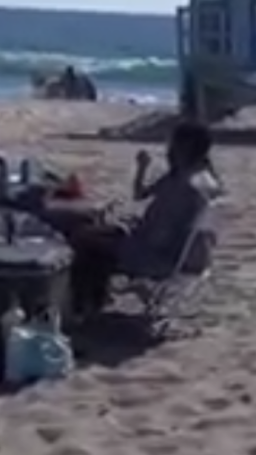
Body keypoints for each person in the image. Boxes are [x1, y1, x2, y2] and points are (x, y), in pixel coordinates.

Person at [69, 121, 219, 314]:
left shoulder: (184, 187)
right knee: (94, 232)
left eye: (172, 143)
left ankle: (84, 307)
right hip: (169, 250)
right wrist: (142, 168)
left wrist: (126, 234)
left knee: (84, 241)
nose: (168, 149)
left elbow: (159, 236)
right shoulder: (199, 178)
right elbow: (141, 195)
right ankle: (97, 299)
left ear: (183, 147)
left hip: (158, 256)